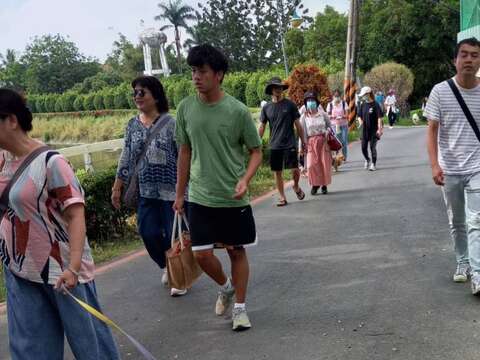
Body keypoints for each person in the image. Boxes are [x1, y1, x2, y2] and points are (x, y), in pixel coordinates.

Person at [0, 89, 120, 359]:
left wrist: (74, 267)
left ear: (11, 120)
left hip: (62, 271)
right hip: (19, 269)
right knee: (30, 349)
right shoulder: (1, 161)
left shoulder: (52, 163)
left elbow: (76, 214)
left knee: (91, 346)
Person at [174, 44, 262, 331]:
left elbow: (256, 151)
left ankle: (240, 308)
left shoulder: (236, 111)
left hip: (233, 197)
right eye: (193, 72)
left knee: (237, 252)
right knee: (201, 254)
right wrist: (179, 193)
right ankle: (225, 287)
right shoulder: (186, 108)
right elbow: (184, 152)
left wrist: (245, 179)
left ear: (219, 75)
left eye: (202, 71)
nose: (196, 77)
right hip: (200, 195)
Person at [111, 76, 186, 297]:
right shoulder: (132, 125)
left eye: (142, 92)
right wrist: (117, 186)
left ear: (156, 95)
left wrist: (184, 190)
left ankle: (179, 278)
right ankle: (167, 265)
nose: (137, 97)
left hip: (171, 192)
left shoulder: (171, 123)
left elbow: (183, 156)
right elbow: (126, 157)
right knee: (147, 232)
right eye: (134, 93)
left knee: (176, 236)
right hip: (145, 191)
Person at [425, 37, 480, 294]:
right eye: (465, 55)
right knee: (457, 221)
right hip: (449, 168)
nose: (469, 59)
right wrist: (435, 165)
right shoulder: (440, 91)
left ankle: (478, 275)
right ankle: (462, 261)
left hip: (477, 166)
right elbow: (432, 130)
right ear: (455, 60)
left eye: (475, 55)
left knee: (476, 220)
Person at [259, 77, 306, 206]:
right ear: (271, 90)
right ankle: (282, 196)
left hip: (289, 143)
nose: (278, 89)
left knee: (295, 170)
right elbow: (262, 126)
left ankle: (296, 186)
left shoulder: (290, 105)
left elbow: (298, 125)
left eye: (280, 87)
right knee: (277, 172)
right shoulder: (266, 108)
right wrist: (257, 142)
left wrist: (303, 141)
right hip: (274, 145)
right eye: (275, 87)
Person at [300, 91, 332, 195]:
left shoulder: (322, 114)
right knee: (311, 165)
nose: (310, 102)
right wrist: (301, 147)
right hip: (310, 142)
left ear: (316, 102)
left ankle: (324, 185)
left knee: (323, 164)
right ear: (305, 103)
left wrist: (327, 132)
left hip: (323, 142)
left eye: (312, 100)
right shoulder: (304, 117)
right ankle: (315, 184)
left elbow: (329, 126)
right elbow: (301, 133)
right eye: (308, 101)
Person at [358, 86, 383, 171]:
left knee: (372, 147)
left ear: (368, 94)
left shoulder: (376, 104)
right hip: (364, 130)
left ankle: (373, 164)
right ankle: (367, 159)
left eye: (364, 95)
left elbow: (379, 118)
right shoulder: (362, 104)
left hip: (373, 130)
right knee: (363, 147)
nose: (363, 96)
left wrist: (379, 129)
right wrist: (360, 122)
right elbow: (359, 116)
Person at [326, 89, 349, 161]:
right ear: (333, 96)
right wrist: (333, 117)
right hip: (334, 125)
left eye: (338, 96)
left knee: (344, 141)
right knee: (336, 141)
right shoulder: (330, 104)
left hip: (343, 125)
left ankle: (344, 157)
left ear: (340, 96)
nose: (337, 97)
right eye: (335, 96)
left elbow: (347, 114)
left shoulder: (344, 103)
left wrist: (342, 116)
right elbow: (327, 115)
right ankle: (337, 157)